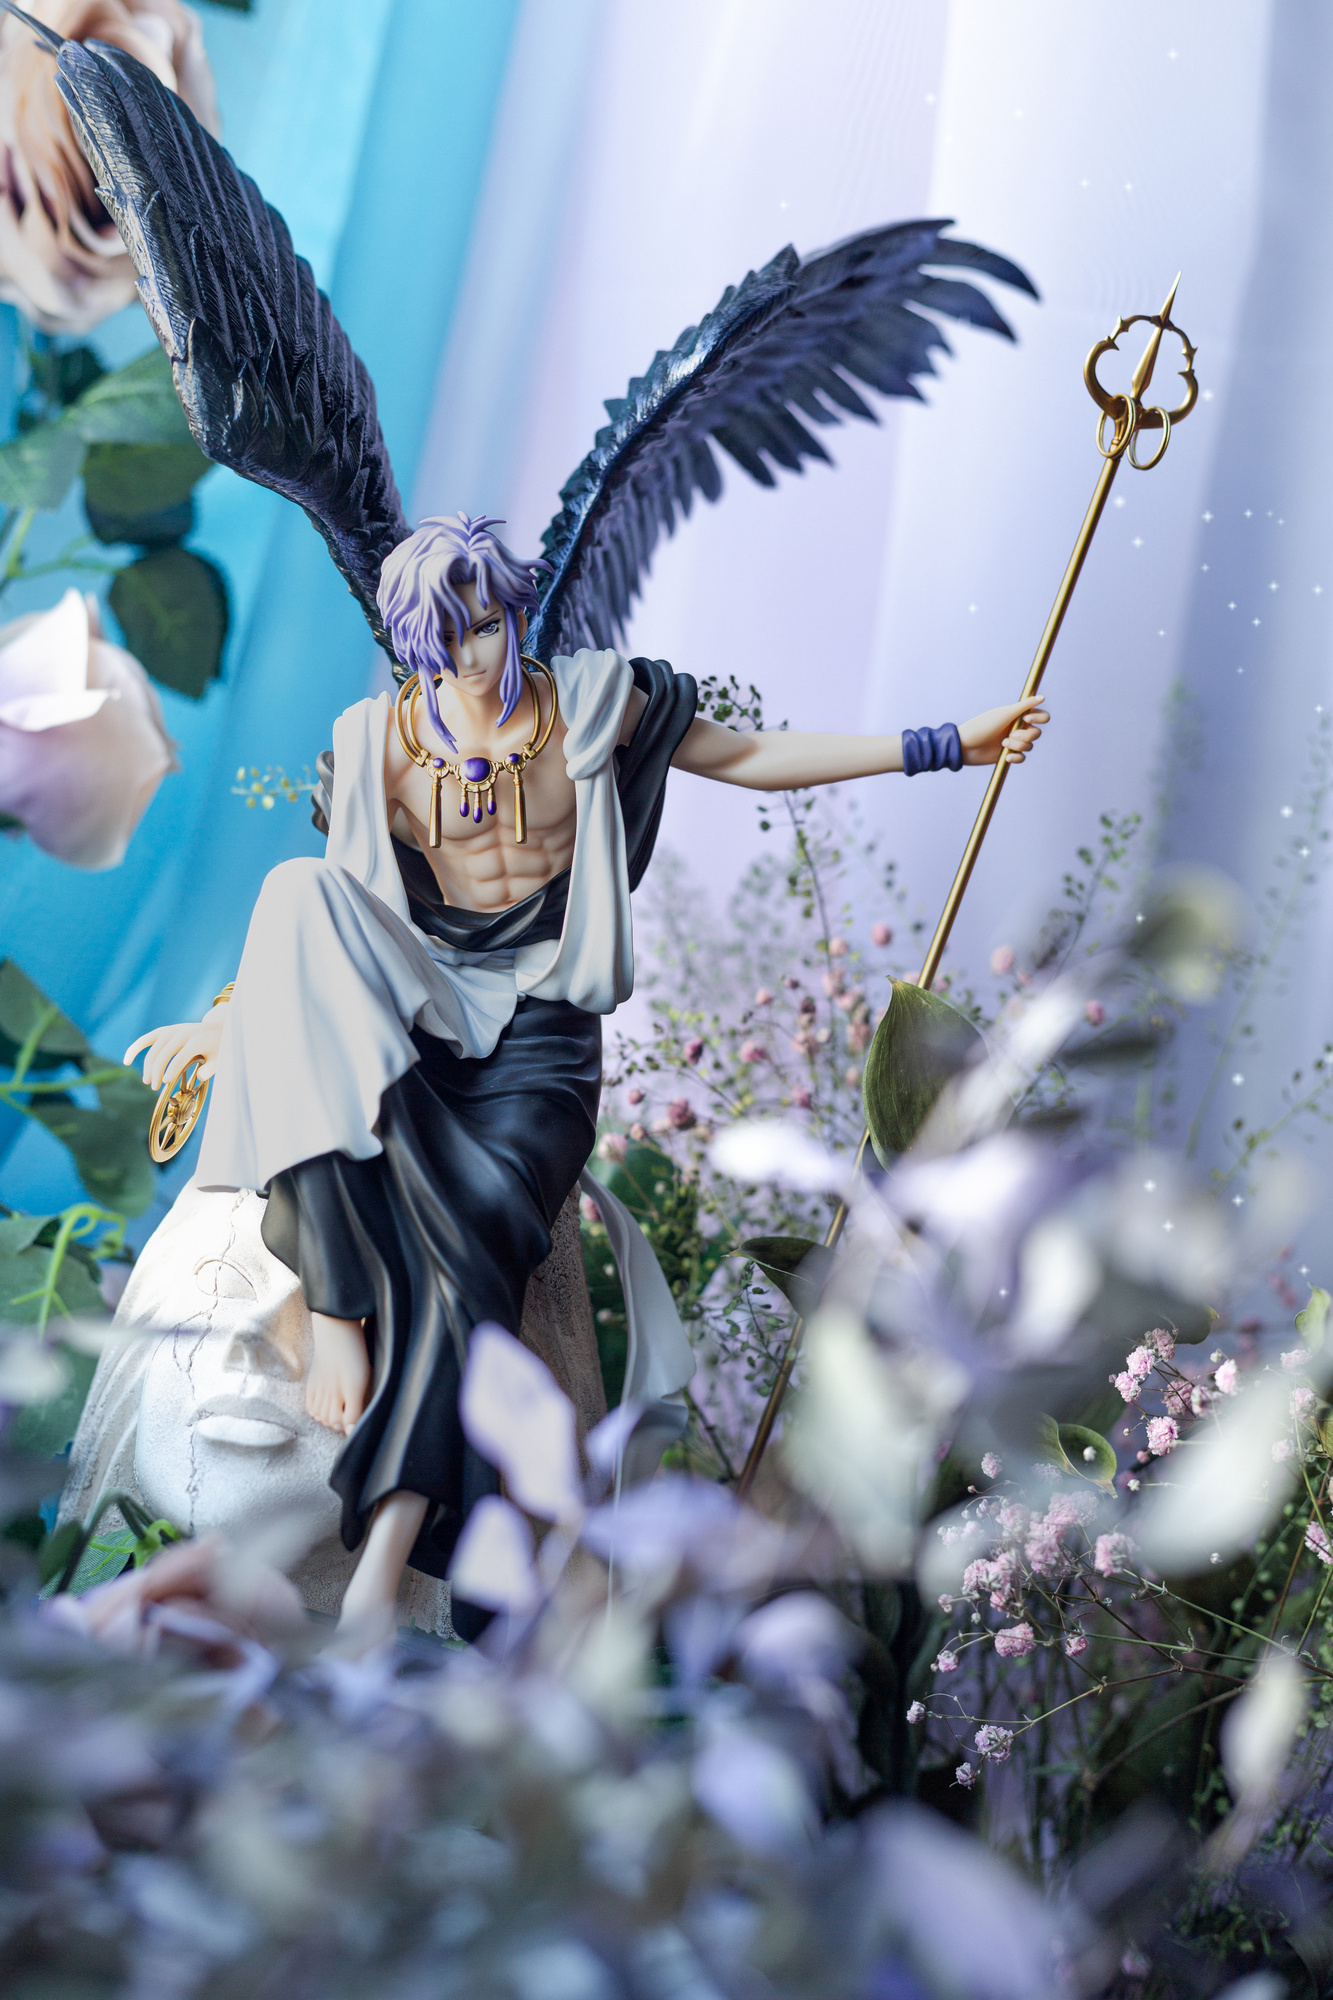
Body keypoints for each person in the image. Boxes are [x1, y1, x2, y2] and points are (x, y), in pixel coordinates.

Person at [124, 514, 1048, 1649]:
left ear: (516, 609)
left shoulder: (599, 705)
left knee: (480, 1222)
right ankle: (335, 1307)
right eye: (444, 643)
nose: (474, 658)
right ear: (412, 645)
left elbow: (748, 759)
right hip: (418, 1010)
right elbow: (328, 925)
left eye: (488, 626)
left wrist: (943, 743)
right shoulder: (378, 743)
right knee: (291, 895)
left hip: (541, 1032)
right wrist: (228, 1022)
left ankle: (392, 1546)